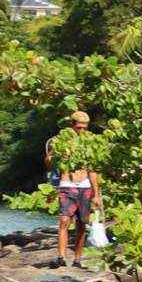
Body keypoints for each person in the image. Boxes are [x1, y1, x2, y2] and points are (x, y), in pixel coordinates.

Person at [45, 111, 99, 266]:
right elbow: (49, 165)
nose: (82, 130)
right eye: (79, 127)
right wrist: (52, 154)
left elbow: (93, 170)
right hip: (67, 184)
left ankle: (78, 259)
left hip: (85, 185)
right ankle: (61, 258)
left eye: (85, 128)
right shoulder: (59, 141)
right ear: (72, 125)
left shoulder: (90, 142)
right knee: (64, 221)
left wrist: (96, 195)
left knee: (82, 223)